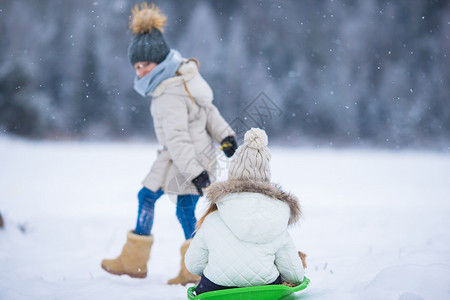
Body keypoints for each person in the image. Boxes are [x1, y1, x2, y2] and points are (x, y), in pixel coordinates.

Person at [101, 3, 237, 285]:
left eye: (144, 66)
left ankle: (198, 268)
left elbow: (180, 137)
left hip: (190, 159)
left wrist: (196, 170)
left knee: (185, 210)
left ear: (160, 62)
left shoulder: (168, 93)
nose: (139, 73)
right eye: (136, 67)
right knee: (146, 197)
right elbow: (207, 112)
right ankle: (133, 261)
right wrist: (225, 135)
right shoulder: (178, 81)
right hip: (173, 157)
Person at [185, 128, 305, 295]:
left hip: (216, 290)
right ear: (266, 175)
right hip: (265, 290)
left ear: (233, 173)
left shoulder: (213, 218)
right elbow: (295, 275)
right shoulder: (277, 217)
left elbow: (193, 265)